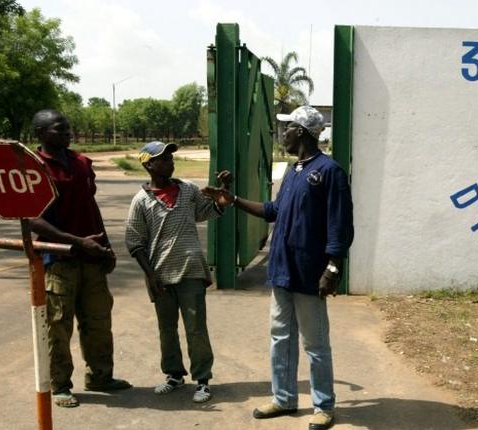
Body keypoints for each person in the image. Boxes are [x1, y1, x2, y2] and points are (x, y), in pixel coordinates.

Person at [204, 105, 354, 430]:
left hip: (309, 272)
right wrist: (234, 201)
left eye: (286, 128)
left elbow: (339, 225)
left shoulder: (329, 172)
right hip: (282, 270)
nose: (282, 132)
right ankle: (284, 398)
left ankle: (323, 406)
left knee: (315, 343)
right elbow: (274, 211)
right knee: (280, 336)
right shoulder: (293, 171)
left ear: (301, 131)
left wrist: (333, 267)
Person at [29, 109, 131, 408]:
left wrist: (105, 245)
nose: (67, 133)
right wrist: (76, 243)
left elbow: (91, 205)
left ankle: (101, 375)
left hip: (91, 257)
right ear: (40, 133)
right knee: (58, 325)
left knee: (98, 321)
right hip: (56, 260)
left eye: (68, 129)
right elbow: (32, 220)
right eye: (60, 129)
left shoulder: (81, 164)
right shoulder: (32, 168)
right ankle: (60, 385)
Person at [125, 141, 229, 403]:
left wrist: (224, 195)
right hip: (159, 275)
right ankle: (173, 375)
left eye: (171, 157)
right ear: (148, 165)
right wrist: (151, 275)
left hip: (191, 269)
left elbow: (208, 211)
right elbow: (135, 242)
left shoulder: (188, 191)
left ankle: (203, 380)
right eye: (163, 158)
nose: (170, 162)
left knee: (196, 328)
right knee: (167, 329)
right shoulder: (141, 201)